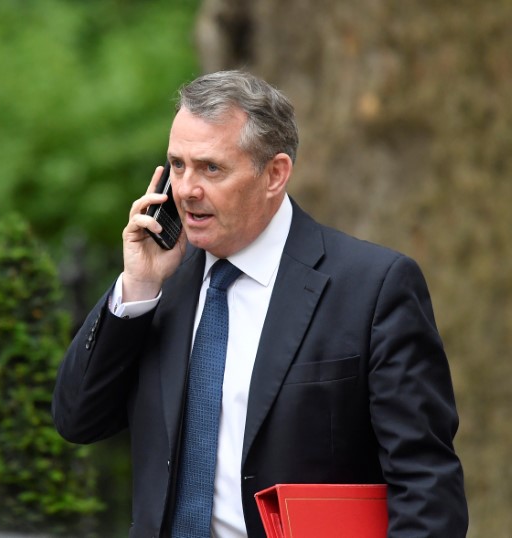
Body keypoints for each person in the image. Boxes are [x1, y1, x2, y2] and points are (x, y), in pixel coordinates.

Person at [52, 69, 468, 538]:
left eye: (211, 168)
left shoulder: (373, 287)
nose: (186, 189)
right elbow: (76, 420)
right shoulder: (159, 285)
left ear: (275, 174)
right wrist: (137, 288)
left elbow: (426, 487)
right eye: (178, 164)